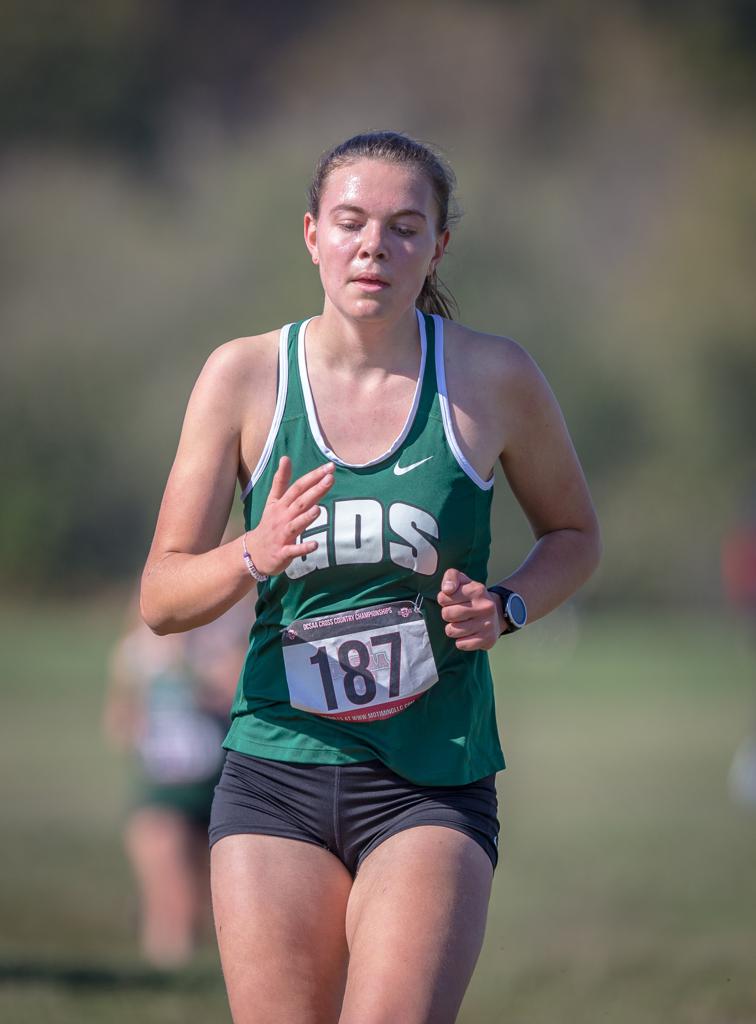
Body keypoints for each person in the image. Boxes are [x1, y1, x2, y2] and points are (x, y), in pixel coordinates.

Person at [140, 131, 601, 1023]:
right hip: (276, 770)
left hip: (431, 780)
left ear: (437, 246)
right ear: (312, 233)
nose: (373, 248)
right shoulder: (242, 378)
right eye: (350, 223)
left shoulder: (492, 377)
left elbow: (576, 535)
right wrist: (253, 553)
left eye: (402, 227)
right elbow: (161, 598)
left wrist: (506, 607)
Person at [104, 592, 251, 967]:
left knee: (203, 907)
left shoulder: (226, 644)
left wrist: (199, 684)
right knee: (170, 895)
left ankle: (183, 981)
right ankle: (162, 984)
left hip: (219, 789)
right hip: (162, 790)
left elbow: (240, 699)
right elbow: (118, 721)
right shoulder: (136, 655)